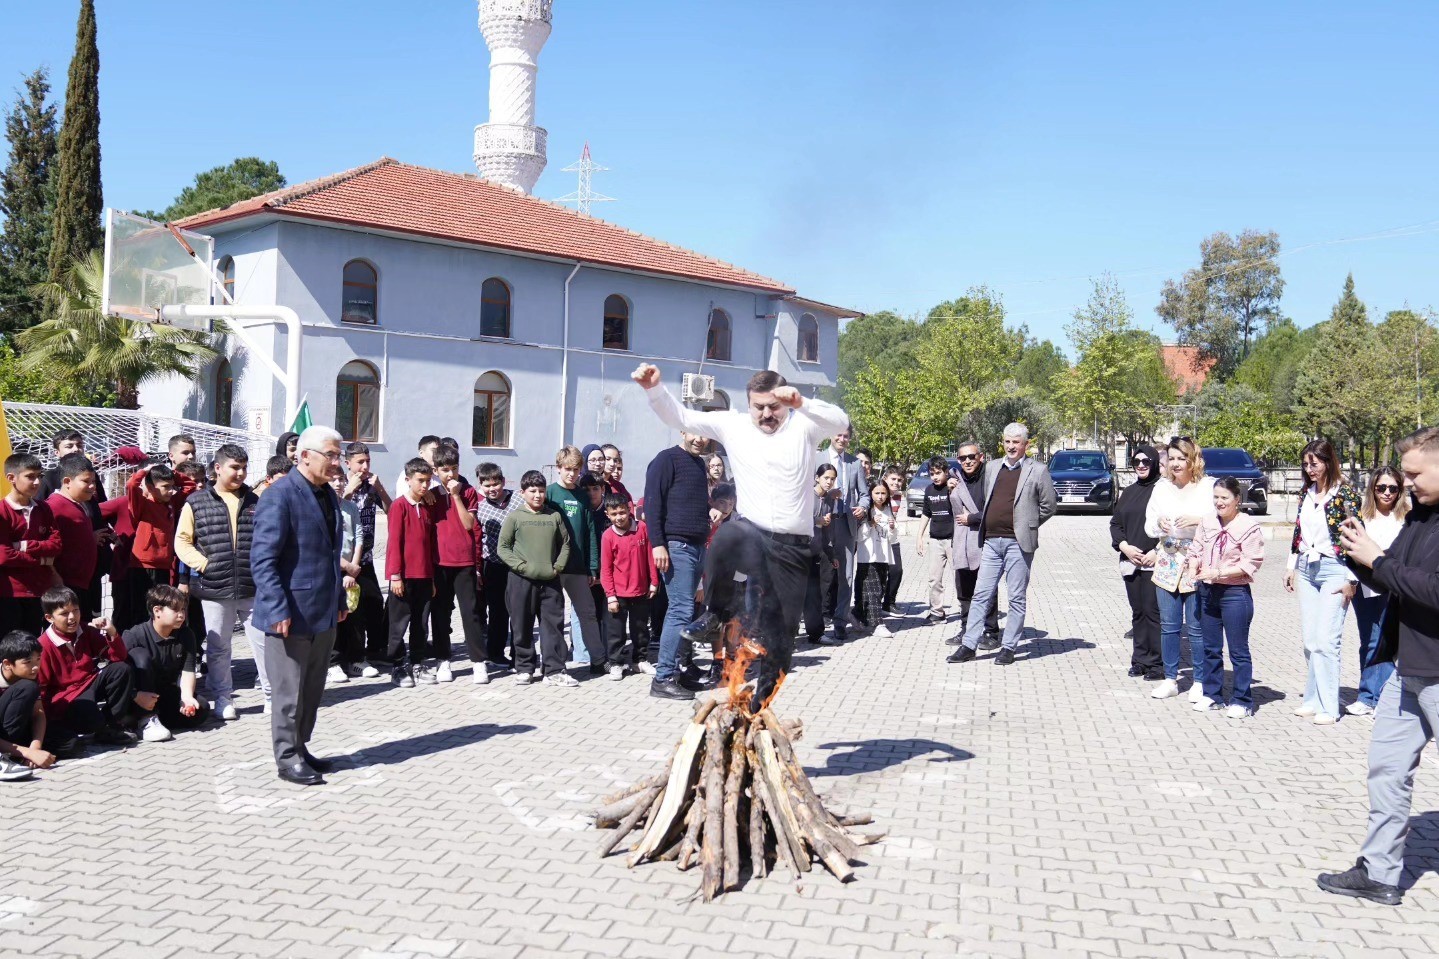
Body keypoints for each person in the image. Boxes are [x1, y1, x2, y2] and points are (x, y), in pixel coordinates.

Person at [635, 364, 850, 709]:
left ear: (785, 404)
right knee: (729, 535)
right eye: (758, 407)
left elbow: (840, 421)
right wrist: (654, 389)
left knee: (781, 639)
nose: (766, 415)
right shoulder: (732, 425)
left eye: (774, 407)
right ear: (748, 404)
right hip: (755, 536)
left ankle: (759, 707)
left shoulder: (804, 426)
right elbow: (680, 416)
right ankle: (715, 613)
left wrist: (802, 403)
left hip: (793, 548)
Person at [1316, 425, 1439, 906]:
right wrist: (1356, 553)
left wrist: (1380, 563)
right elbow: (1393, 576)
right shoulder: (1421, 515)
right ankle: (1380, 872)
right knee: (1387, 771)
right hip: (1408, 669)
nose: (1406, 483)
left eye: (1415, 474)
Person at [251, 425, 347, 787]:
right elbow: (263, 559)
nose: (337, 462)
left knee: (311, 690)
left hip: (322, 611)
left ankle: (300, 747)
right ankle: (287, 758)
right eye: (331, 455)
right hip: (289, 613)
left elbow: (330, 555)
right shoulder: (279, 496)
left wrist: (338, 598)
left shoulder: (327, 494)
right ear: (304, 456)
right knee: (288, 693)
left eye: (338, 455)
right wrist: (277, 608)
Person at [948, 424, 1057, 665]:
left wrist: (1028, 524)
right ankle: (969, 645)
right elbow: (981, 491)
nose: (1011, 446)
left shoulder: (1038, 470)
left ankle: (1008, 647)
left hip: (1018, 543)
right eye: (1007, 441)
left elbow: (1049, 505)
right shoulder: (993, 467)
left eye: (1016, 442)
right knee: (980, 595)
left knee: (1016, 597)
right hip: (990, 541)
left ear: (1026, 445)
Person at [173, 443, 264, 721]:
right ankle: (223, 698)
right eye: (235, 467)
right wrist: (204, 564)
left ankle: (273, 697)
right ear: (218, 468)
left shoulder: (255, 500)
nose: (241, 473)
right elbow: (182, 540)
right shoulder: (196, 501)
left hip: (252, 586)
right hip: (215, 587)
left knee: (264, 643)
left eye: (244, 468)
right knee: (219, 647)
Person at [1283, 438, 1362, 726]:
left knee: (1327, 641)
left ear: (1328, 462)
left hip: (1335, 569)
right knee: (1310, 640)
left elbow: (1357, 537)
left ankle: (1330, 706)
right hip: (1307, 568)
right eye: (1305, 464)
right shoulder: (1306, 492)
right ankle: (1313, 699)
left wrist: (1353, 579)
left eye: (1314, 463)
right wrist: (1291, 566)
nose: (1309, 469)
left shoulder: (1346, 494)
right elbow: (1299, 531)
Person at [1142, 438, 1216, 700]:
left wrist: (1198, 520)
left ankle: (1200, 681)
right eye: (1171, 458)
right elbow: (1149, 525)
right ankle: (1170, 679)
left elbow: (1221, 520)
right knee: (1169, 625)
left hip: (1196, 562)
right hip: (1167, 561)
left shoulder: (1207, 487)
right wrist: (1159, 523)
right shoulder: (1161, 488)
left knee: (1196, 627)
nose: (1175, 464)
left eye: (1181, 458)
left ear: (1193, 460)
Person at [1187, 477, 1265, 718]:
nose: (1219, 502)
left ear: (1237, 499)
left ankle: (1242, 700)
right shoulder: (1207, 522)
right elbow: (1196, 548)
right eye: (1216, 497)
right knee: (1211, 648)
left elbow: (1251, 562)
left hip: (1234, 594)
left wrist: (1219, 572)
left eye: (1224, 498)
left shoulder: (1249, 526)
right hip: (1207, 590)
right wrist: (1193, 566)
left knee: (1238, 650)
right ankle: (1213, 695)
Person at [644, 430, 713, 699]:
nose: (699, 440)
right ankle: (663, 678)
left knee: (688, 612)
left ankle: (678, 671)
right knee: (680, 611)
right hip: (677, 547)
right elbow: (652, 504)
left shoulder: (698, 464)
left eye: (704, 435)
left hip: (696, 546)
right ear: (683, 430)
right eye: (694, 433)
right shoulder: (667, 459)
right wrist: (657, 544)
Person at [36, 586, 138, 750]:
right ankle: (88, 726)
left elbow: (118, 657)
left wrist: (111, 631)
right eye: (64, 613)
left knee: (122, 669)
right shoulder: (44, 646)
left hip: (89, 682)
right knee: (90, 718)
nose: (72, 617)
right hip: (67, 697)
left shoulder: (85, 630)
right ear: (49, 618)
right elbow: (42, 690)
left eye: (75, 610)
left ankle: (110, 726)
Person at [497, 470, 572, 687]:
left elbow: (565, 544)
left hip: (550, 582)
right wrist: (522, 567)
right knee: (522, 626)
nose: (537, 495)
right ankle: (524, 668)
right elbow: (503, 548)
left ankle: (554, 670)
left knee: (553, 627)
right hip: (521, 581)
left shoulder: (553, 516)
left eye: (541, 491)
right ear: (522, 493)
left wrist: (557, 567)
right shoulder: (515, 517)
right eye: (532, 491)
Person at [1349, 467, 1408, 716]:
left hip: (1393, 585)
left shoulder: (1407, 517)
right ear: (1372, 488)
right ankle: (1370, 695)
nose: (1387, 493)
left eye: (1393, 488)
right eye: (1381, 487)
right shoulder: (1363, 516)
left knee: (1383, 641)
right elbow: (1351, 551)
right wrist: (1350, 581)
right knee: (1368, 640)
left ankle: (1376, 697)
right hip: (1365, 585)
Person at [121, 584, 210, 742]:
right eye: (176, 610)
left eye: (183, 609)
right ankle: (145, 719)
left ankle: (153, 719)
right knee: (141, 656)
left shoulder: (186, 634)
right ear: (157, 611)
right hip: (137, 696)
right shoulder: (134, 635)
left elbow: (188, 670)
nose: (181, 615)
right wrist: (135, 695)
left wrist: (186, 698)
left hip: (163, 694)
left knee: (201, 709)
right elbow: (117, 673)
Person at [386, 458, 443, 687]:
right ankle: (398, 665)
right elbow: (394, 542)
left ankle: (418, 662)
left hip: (424, 575)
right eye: (420, 480)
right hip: (404, 577)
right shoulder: (399, 506)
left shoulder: (428, 506)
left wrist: (432, 578)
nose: (425, 485)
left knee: (421, 623)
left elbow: (430, 544)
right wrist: (395, 575)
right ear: (408, 480)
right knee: (398, 623)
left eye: (428, 481)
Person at [426, 448, 482, 684]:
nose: (450, 474)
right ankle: (443, 660)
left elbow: (469, 524)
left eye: (454, 469)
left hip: (464, 562)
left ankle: (478, 662)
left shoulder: (468, 492)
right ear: (435, 471)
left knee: (471, 613)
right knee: (440, 614)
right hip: (439, 563)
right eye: (445, 470)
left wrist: (456, 496)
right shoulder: (430, 496)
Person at [548, 447, 606, 672]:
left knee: (587, 613)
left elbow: (590, 531)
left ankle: (598, 660)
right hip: (554, 566)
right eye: (567, 469)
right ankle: (556, 663)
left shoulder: (582, 495)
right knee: (554, 616)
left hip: (579, 566)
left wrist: (593, 566)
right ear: (558, 468)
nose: (572, 474)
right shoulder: (550, 493)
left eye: (576, 469)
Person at [1110, 444, 1163, 680]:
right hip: (1131, 561)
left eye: (1146, 461)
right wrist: (1124, 547)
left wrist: (1157, 551)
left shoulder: (1163, 490)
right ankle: (1139, 660)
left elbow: (1171, 526)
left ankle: (1157, 664)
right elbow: (1116, 523)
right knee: (1138, 611)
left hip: (1155, 561)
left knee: (1153, 612)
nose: (1141, 465)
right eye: (1136, 462)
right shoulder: (1129, 491)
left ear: (1154, 463)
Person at [122, 462, 197, 631]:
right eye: (165, 487)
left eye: (172, 486)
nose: (171, 491)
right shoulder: (142, 504)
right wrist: (146, 471)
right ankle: (141, 640)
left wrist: (172, 473)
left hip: (164, 565)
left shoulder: (171, 503)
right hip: (143, 565)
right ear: (150, 488)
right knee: (142, 609)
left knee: (161, 607)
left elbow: (190, 485)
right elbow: (132, 485)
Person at [341, 442, 391, 679]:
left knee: (374, 602)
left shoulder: (371, 486)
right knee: (353, 609)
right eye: (360, 462)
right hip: (345, 560)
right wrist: (348, 490)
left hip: (367, 558)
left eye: (367, 461)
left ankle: (375, 650)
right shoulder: (339, 483)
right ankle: (352, 658)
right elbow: (335, 511)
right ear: (347, 463)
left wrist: (380, 488)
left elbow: (392, 510)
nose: (365, 466)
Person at [1, 452, 62, 637]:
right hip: (9, 593)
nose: (37, 482)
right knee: (10, 647)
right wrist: (41, 561)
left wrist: (23, 546)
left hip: (39, 591)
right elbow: (4, 556)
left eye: (39, 476)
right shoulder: (2, 511)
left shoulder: (44, 508)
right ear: (11, 478)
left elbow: (56, 545)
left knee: (33, 643)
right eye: (30, 476)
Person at [599, 493, 659, 679]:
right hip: (618, 593)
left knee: (640, 629)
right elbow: (606, 568)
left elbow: (650, 557)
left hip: (641, 590)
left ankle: (639, 660)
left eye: (622, 512)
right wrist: (610, 596)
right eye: (614, 514)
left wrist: (654, 582)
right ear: (607, 514)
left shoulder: (642, 529)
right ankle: (616, 663)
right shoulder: (608, 536)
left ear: (629, 509)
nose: (619, 517)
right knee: (615, 632)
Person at [948, 442, 999, 648]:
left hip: (985, 539)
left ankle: (991, 633)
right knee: (964, 589)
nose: (967, 461)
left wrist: (973, 518)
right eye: (963, 458)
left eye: (971, 457)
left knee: (987, 588)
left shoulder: (989, 479)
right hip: (962, 542)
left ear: (981, 457)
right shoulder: (956, 480)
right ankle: (966, 629)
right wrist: (948, 490)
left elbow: (995, 509)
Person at [823, 429, 870, 641]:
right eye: (838, 434)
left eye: (846, 436)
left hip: (845, 524)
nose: (842, 439)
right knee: (817, 574)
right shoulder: (816, 458)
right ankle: (814, 620)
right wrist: (826, 494)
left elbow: (864, 494)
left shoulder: (854, 463)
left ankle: (840, 621)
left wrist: (863, 507)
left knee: (846, 575)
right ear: (830, 434)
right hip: (821, 523)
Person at [474, 462, 519, 682]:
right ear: (480, 485)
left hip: (517, 565)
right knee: (497, 611)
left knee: (518, 611)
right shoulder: (480, 508)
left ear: (503, 481)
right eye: (487, 485)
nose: (492, 489)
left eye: (495, 484)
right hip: (493, 564)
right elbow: (477, 537)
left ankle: (519, 655)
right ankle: (495, 653)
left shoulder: (518, 499)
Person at [46, 453, 102, 619]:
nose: (92, 486)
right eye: (86, 481)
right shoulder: (54, 507)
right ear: (67, 481)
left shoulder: (79, 505)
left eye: (94, 482)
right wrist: (55, 577)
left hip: (83, 584)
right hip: (65, 587)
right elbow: (47, 548)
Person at [325, 466, 365, 684]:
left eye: (341, 479)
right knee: (334, 619)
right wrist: (346, 567)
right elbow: (326, 545)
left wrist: (353, 568)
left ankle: (356, 659)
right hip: (332, 571)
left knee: (354, 617)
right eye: (333, 480)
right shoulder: (324, 507)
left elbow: (358, 537)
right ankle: (333, 664)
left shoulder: (350, 507)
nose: (339, 484)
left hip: (352, 572)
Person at [0, 631, 55, 781]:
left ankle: (14, 753)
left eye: (38, 659)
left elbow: (38, 713)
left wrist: (35, 747)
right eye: (28, 662)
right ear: (7, 664)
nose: (35, 667)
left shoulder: (29, 674)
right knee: (27, 687)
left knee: (67, 742)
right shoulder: (26, 683)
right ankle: (9, 755)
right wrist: (28, 753)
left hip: (13, 735)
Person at [916, 456, 958, 623]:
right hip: (935, 540)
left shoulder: (953, 487)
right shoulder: (929, 490)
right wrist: (919, 536)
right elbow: (926, 513)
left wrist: (952, 490)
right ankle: (937, 612)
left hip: (954, 540)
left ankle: (967, 611)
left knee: (960, 578)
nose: (935, 477)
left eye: (938, 473)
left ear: (946, 472)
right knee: (934, 579)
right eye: (932, 473)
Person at [805, 464, 841, 645]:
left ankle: (816, 634)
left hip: (815, 552)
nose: (829, 482)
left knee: (814, 595)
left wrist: (831, 554)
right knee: (794, 595)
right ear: (817, 477)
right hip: (798, 552)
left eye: (832, 479)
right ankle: (788, 636)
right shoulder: (806, 496)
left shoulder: (829, 500)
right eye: (826, 477)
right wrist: (816, 520)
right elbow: (796, 519)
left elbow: (827, 532)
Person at [853, 480, 894, 637]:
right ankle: (877, 623)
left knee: (879, 588)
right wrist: (870, 523)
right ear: (870, 494)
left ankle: (856, 614)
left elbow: (892, 537)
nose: (880, 496)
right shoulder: (866, 511)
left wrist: (892, 527)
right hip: (868, 557)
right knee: (874, 590)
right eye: (877, 493)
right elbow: (859, 536)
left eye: (883, 493)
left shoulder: (888, 509)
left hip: (883, 556)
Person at [880, 467, 906, 613]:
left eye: (899, 480)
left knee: (897, 571)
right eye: (893, 479)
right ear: (885, 479)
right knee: (880, 573)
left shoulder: (898, 497)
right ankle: (873, 604)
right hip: (878, 539)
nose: (896, 483)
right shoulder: (878, 493)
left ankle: (889, 602)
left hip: (892, 538)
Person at [36, 428, 87, 501]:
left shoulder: (91, 475)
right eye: (69, 446)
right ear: (57, 452)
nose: (76, 449)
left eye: (79, 445)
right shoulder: (48, 478)